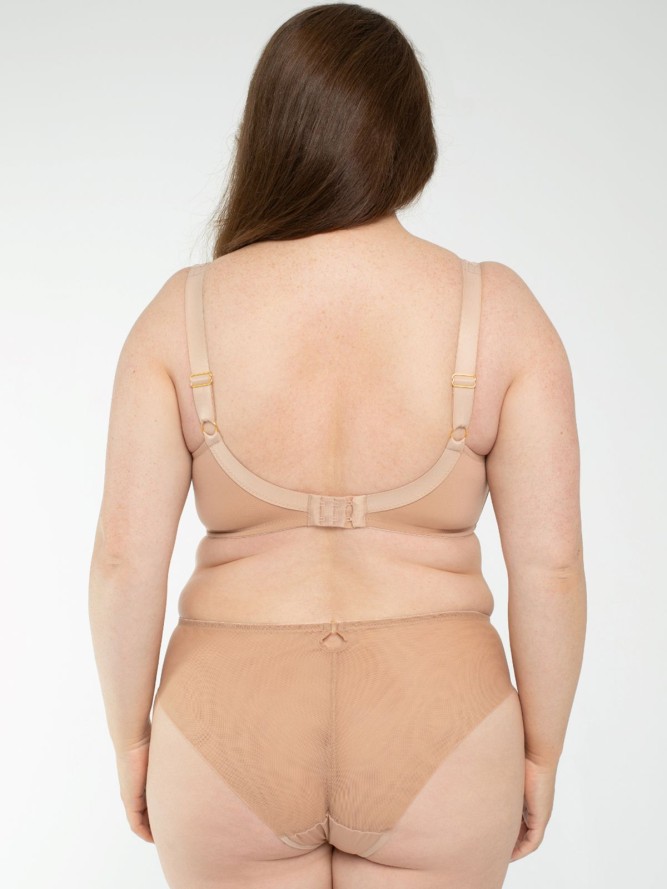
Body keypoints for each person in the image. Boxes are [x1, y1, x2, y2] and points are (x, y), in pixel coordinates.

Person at [88, 4, 587, 888]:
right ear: (412, 140)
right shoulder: (500, 311)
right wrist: (540, 752)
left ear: (266, 135)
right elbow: (549, 568)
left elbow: (125, 562)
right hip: (439, 718)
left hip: (227, 720)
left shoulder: (180, 313)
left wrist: (131, 738)